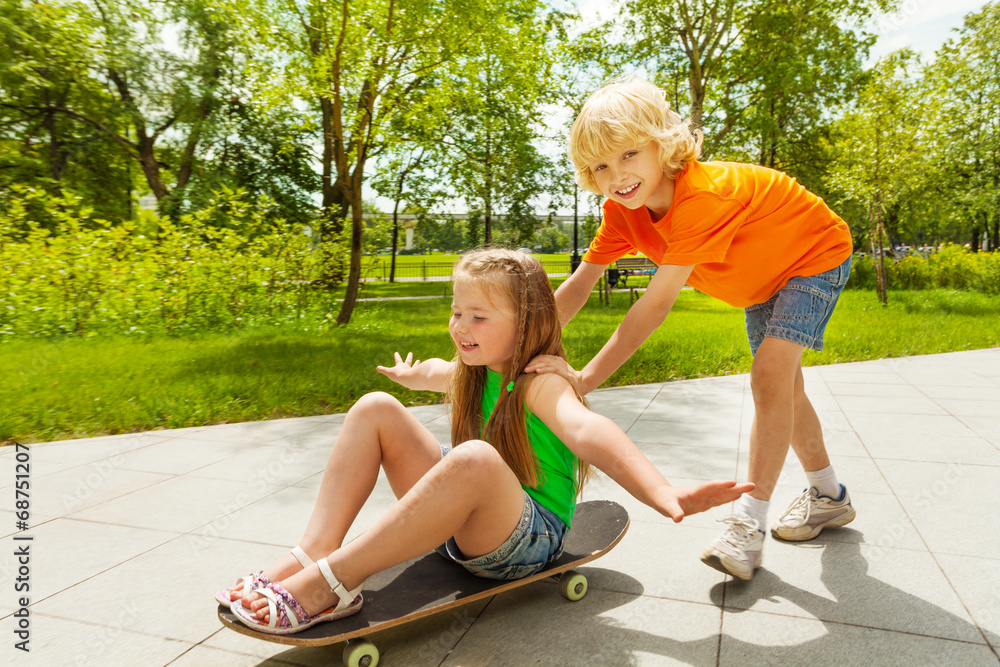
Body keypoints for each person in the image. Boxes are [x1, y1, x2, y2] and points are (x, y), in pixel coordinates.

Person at [216, 248, 753, 634]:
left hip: (524, 539)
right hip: (468, 524)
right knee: (374, 408)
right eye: (456, 311)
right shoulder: (475, 367)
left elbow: (589, 430)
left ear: (526, 324)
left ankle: (330, 585)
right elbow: (437, 372)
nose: (459, 326)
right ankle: (314, 551)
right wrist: (412, 375)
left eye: (478, 316)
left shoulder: (540, 380)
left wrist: (661, 491)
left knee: (473, 457)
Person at [524, 77, 856, 582]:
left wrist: (583, 379)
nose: (617, 175)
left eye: (629, 154)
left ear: (663, 143)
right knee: (785, 387)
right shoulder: (621, 212)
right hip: (761, 282)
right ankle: (829, 496)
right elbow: (577, 286)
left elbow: (653, 309)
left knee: (769, 377)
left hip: (813, 256)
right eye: (600, 166)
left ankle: (749, 523)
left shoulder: (700, 197)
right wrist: (521, 350)